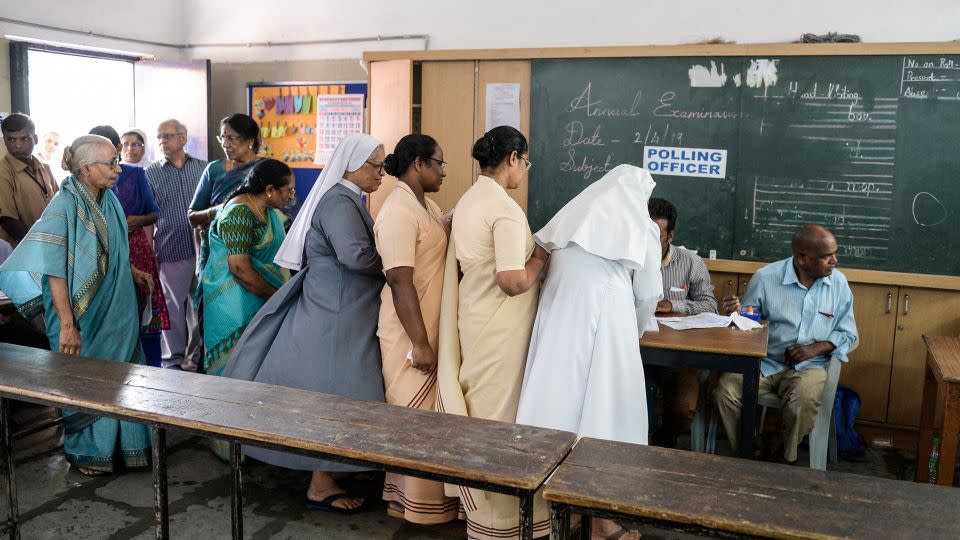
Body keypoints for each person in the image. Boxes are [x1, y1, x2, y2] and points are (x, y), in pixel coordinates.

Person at [222, 134, 385, 513]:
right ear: (353, 165)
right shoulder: (341, 202)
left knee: (349, 391)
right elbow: (356, 257)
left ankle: (341, 463)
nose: (381, 173)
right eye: (375, 165)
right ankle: (321, 481)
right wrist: (400, 263)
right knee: (335, 391)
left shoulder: (345, 198)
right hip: (337, 309)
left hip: (342, 306)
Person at [516, 164, 661, 540]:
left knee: (559, 410)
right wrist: (639, 329)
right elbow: (647, 294)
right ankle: (603, 523)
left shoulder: (570, 218)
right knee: (606, 413)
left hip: (560, 315)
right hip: (609, 318)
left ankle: (565, 515)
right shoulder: (640, 227)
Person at [0, 134, 154, 475]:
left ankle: (126, 448)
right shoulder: (63, 205)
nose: (118, 169)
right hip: (79, 314)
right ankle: (89, 453)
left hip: (117, 309)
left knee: (122, 375)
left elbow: (111, 249)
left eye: (117, 161)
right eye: (110, 163)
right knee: (83, 377)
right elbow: (55, 271)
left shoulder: (109, 199)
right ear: (85, 168)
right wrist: (67, 325)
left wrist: (131, 269)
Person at [436, 126, 550, 540]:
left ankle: (480, 515)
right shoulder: (503, 208)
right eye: (526, 162)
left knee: (483, 417)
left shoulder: (469, 199)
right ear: (513, 159)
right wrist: (540, 260)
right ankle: (499, 522)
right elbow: (511, 280)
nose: (525, 170)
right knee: (501, 425)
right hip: (499, 329)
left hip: (476, 318)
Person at [714, 224, 858, 464]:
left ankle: (785, 456)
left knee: (803, 399)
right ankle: (750, 447)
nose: (835, 260)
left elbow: (849, 333)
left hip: (811, 367)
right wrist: (738, 314)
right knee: (726, 392)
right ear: (802, 259)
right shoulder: (766, 277)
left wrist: (815, 348)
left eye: (834, 253)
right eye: (826, 256)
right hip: (765, 362)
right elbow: (750, 321)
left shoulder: (839, 284)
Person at [374, 134, 458, 524]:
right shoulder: (398, 210)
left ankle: (410, 500)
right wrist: (420, 343)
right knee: (413, 422)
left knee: (426, 421)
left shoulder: (425, 204)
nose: (444, 171)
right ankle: (417, 508)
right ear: (418, 164)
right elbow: (399, 279)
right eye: (439, 163)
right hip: (409, 333)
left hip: (429, 326)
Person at [647, 197, 737, 447]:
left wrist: (672, 305)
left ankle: (665, 439)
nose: (645, 240)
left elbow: (710, 306)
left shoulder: (690, 263)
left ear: (670, 235)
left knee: (684, 409)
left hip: (679, 354)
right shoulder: (626, 260)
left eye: (654, 234)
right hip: (637, 349)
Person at [202, 159, 292, 376]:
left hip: (257, 295)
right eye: (288, 190)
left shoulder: (268, 211)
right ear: (270, 190)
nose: (291, 196)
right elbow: (240, 269)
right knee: (235, 369)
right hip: (234, 301)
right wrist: (278, 297)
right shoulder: (239, 213)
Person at [90, 125, 169, 368]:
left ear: (115, 149)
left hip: (134, 247)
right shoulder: (82, 185)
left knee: (143, 312)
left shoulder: (134, 175)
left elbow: (154, 213)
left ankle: (151, 371)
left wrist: (136, 221)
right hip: (98, 252)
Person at [145, 119, 207, 371]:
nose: (162, 142)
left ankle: (195, 357)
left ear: (183, 138)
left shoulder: (204, 168)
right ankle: (173, 360)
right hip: (171, 249)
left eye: (167, 136)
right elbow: (148, 215)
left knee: (199, 304)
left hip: (203, 250)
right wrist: (150, 251)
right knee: (172, 308)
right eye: (159, 137)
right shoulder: (151, 173)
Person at [189, 114, 263, 280]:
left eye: (231, 138)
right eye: (222, 137)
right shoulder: (214, 169)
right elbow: (193, 217)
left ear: (250, 141)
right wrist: (216, 211)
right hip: (215, 252)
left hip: (254, 252)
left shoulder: (264, 170)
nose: (224, 144)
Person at [0, 113, 59, 247]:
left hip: (51, 246)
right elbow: (8, 221)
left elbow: (59, 205)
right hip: (21, 254)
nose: (18, 145)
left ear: (36, 139)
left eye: (24, 139)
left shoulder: (45, 168)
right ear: (5, 141)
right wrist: (36, 247)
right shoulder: (3, 171)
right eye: (11, 140)